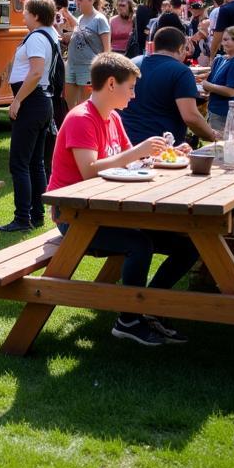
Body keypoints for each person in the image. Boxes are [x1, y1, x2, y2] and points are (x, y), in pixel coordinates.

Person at [47, 52, 198, 346]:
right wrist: (137, 151)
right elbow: (89, 171)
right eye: (131, 88)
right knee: (139, 244)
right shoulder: (81, 118)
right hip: (75, 216)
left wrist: (167, 154)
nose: (134, 94)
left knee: (187, 245)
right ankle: (129, 319)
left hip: (108, 209)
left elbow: (132, 163)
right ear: (112, 84)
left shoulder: (113, 117)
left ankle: (149, 308)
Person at [0, 0, 62, 233]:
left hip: (33, 102)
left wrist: (17, 101)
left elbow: (35, 73)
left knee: (20, 163)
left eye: (25, 12)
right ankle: (37, 214)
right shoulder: (51, 33)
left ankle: (22, 217)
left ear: (35, 15)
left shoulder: (36, 37)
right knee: (36, 163)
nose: (22, 16)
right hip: (43, 102)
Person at [121, 27, 216, 146]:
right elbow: (191, 117)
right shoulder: (181, 71)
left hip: (125, 143)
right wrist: (213, 136)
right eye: (186, 49)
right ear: (181, 48)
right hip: (161, 148)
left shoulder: (130, 64)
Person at [196, 26, 234, 133]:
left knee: (224, 147)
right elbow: (211, 83)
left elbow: (230, 91)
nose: (228, 42)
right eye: (225, 39)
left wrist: (207, 85)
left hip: (229, 113)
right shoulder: (220, 60)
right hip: (216, 110)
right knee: (216, 147)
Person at [61, 0, 110, 108]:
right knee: (68, 105)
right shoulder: (81, 18)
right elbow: (80, 36)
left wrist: (102, 69)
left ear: (91, 0)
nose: (77, 2)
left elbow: (107, 49)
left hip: (88, 67)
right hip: (72, 65)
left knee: (85, 105)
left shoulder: (100, 19)